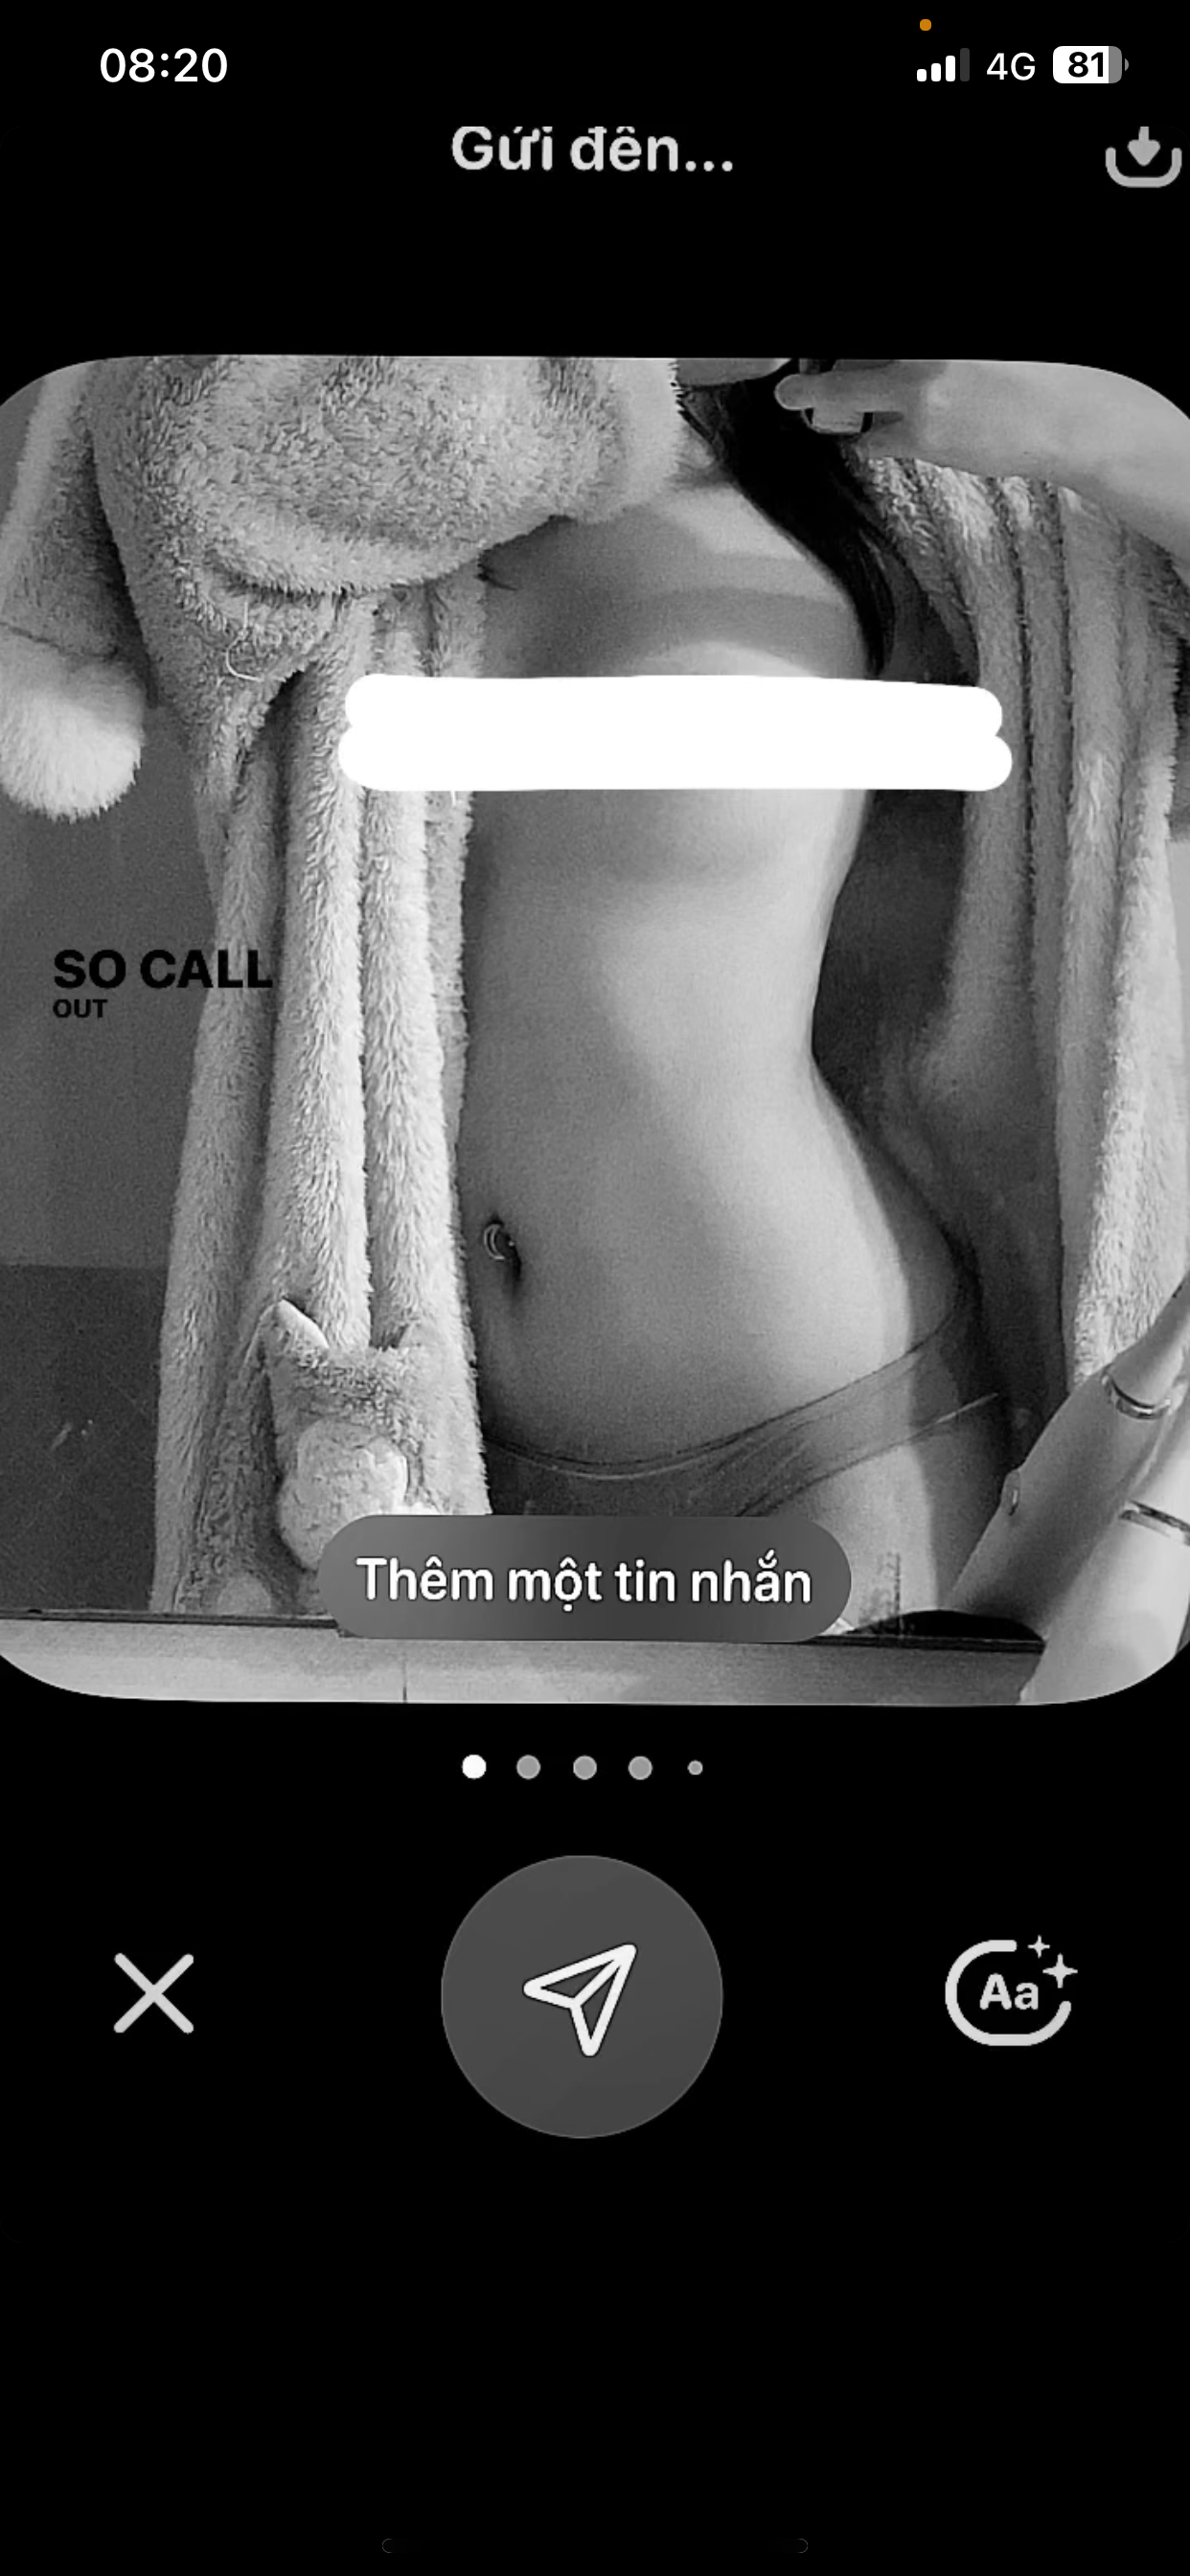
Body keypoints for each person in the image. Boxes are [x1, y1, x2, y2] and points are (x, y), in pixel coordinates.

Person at [461, 357, 1190, 1647]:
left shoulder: (922, 487)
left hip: (813, 1432)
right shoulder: (355, 466)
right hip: (416, 1411)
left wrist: (1101, 434)